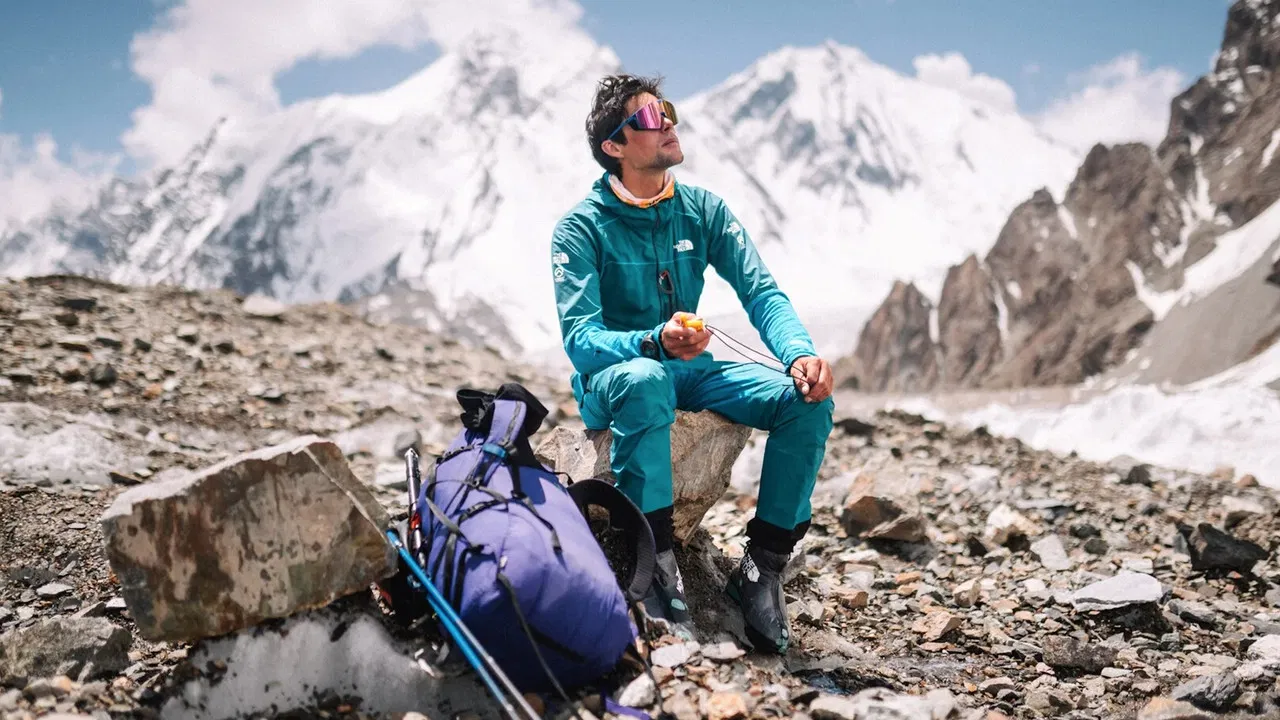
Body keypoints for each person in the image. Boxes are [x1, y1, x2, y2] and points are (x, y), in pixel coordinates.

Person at [549, 74, 835, 654]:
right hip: (617, 378)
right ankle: (655, 562)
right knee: (646, 380)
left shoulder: (703, 210)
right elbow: (581, 340)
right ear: (614, 145)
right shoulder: (580, 228)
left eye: (667, 111)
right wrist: (653, 340)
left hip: (687, 370)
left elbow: (761, 293)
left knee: (805, 401)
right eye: (649, 119)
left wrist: (800, 353)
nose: (668, 124)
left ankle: (762, 568)